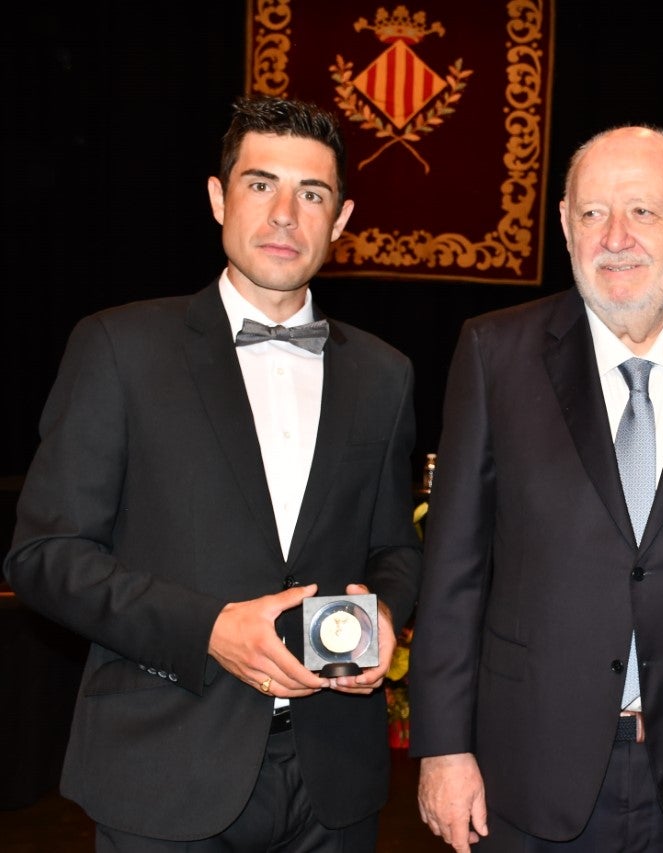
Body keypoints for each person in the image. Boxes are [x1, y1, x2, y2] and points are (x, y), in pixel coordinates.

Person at [3, 95, 421, 850]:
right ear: (217, 196)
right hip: (165, 769)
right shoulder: (118, 348)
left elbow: (396, 547)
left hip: (336, 784)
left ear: (344, 217)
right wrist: (210, 629)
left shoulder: (385, 375)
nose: (286, 213)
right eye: (261, 184)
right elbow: (44, 557)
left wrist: (385, 612)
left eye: (313, 193)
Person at [409, 125, 663, 852]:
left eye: (643, 211)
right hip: (530, 778)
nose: (616, 236)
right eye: (593, 213)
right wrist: (442, 749)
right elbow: (454, 570)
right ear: (566, 225)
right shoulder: (493, 352)